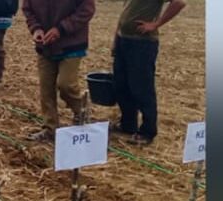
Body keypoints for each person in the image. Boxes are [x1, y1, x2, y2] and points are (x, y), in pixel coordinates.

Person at [111, 0, 186, 145]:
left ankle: (147, 131)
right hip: (123, 40)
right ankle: (128, 125)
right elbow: (124, 15)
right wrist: (116, 40)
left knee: (142, 88)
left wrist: (155, 24)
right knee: (121, 85)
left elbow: (179, 3)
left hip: (142, 44)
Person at [21, 0, 94, 141]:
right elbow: (27, 9)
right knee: (46, 89)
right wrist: (36, 28)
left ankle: (81, 112)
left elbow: (87, 10)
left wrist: (61, 29)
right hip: (46, 46)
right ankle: (50, 128)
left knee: (66, 85)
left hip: (71, 43)